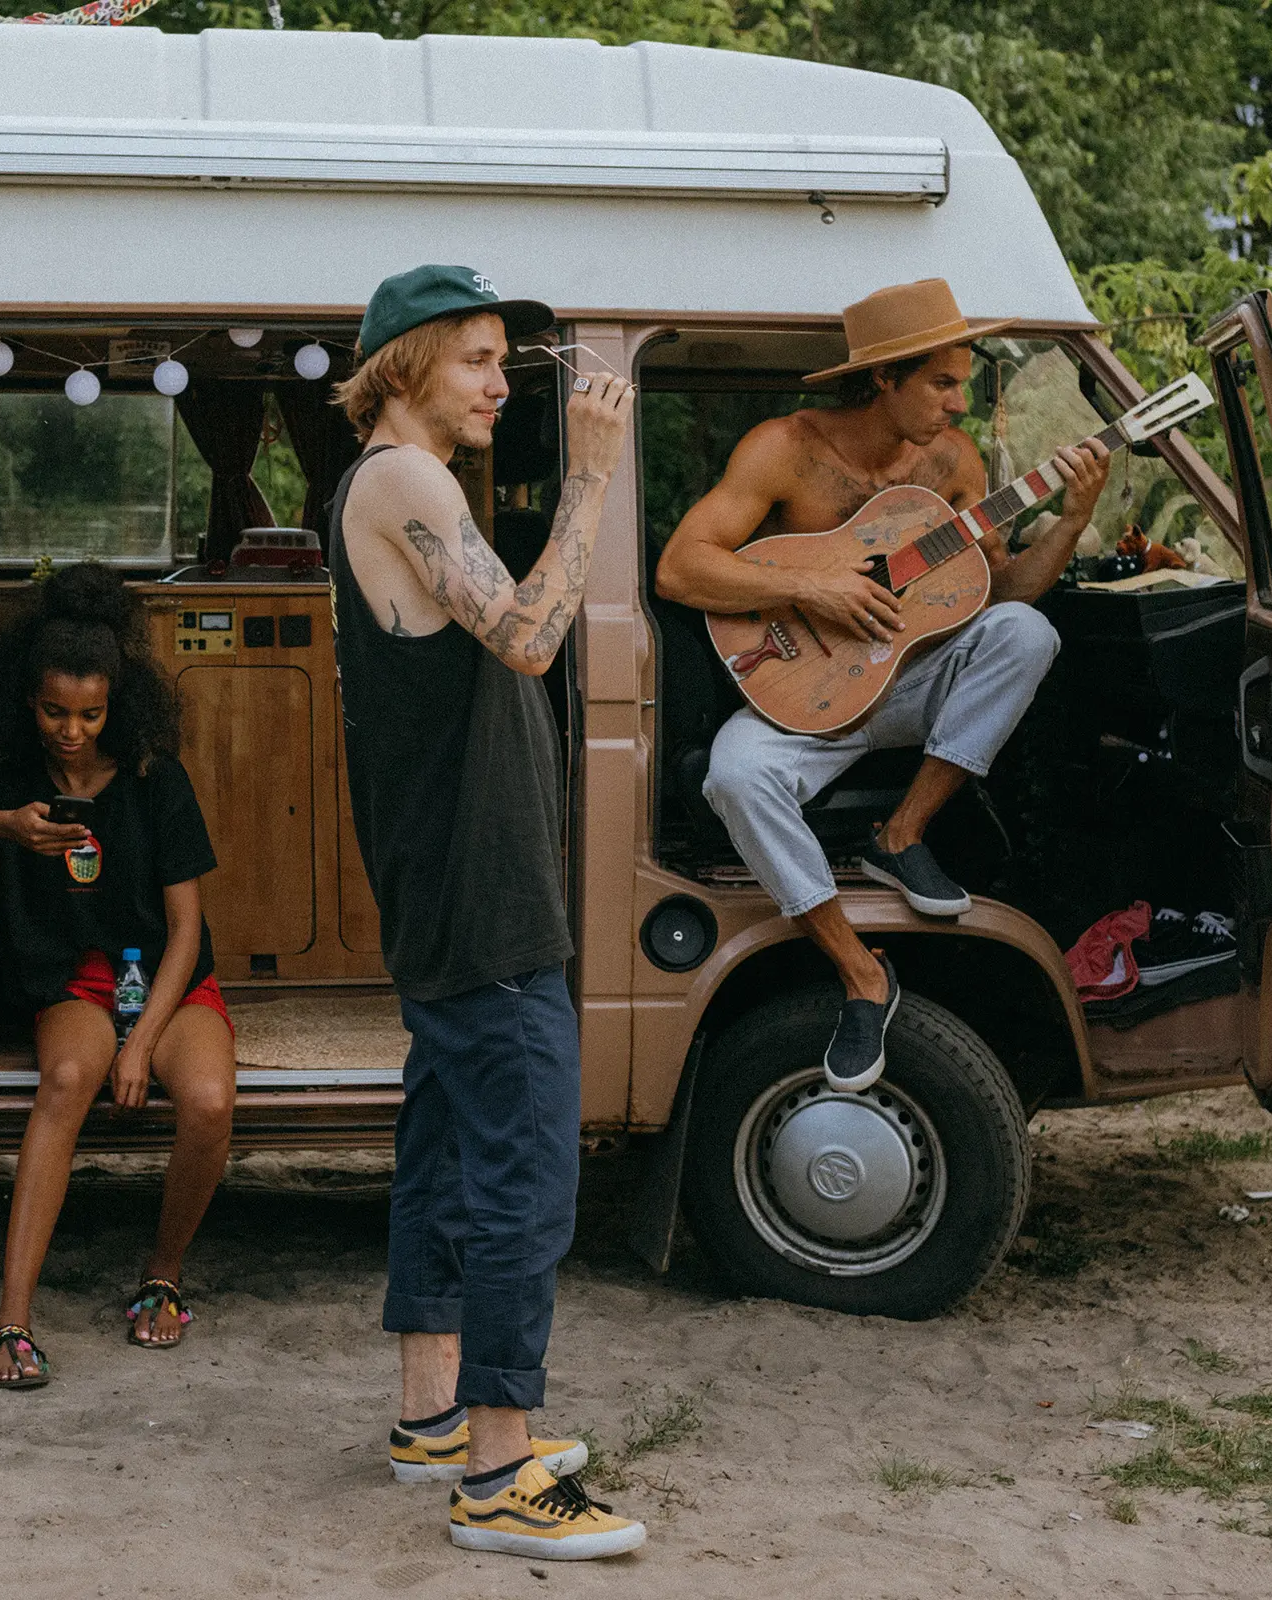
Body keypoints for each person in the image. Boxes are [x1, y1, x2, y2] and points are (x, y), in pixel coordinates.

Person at [328, 264, 645, 1561]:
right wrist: (590, 478)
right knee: (524, 1170)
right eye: (476, 358)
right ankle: (503, 1474)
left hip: (454, 883)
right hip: (477, 889)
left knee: (450, 1146)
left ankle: (434, 1417)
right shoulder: (401, 479)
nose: (502, 382)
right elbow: (525, 635)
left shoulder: (406, 484)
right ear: (405, 366)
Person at [653, 277, 1112, 1093]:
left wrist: (1070, 522)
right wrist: (810, 588)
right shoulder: (784, 449)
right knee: (735, 776)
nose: (960, 404)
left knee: (1026, 634)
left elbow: (999, 596)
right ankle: (861, 973)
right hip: (803, 699)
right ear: (884, 379)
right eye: (942, 383)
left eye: (965, 382)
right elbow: (681, 568)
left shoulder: (954, 465)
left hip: (906, 685)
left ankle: (902, 836)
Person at [0, 562, 234, 1388]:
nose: (72, 731)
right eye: (54, 712)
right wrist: (4, 825)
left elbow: (186, 931)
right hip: (72, 979)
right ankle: (13, 1321)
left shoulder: (155, 780)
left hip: (168, 981)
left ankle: (163, 1274)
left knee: (210, 1101)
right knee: (70, 1076)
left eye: (90, 714)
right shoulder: (17, 777)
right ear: (27, 700)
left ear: (119, 704)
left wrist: (141, 1046)